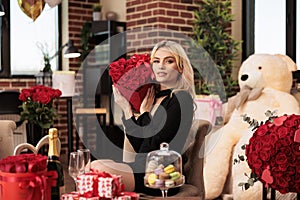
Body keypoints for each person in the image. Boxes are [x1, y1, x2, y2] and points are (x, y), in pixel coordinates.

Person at [91, 40, 196, 196]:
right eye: (156, 61)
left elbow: (153, 147)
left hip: (159, 176)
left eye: (169, 61)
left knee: (99, 169)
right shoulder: (153, 97)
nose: (161, 65)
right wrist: (127, 110)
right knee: (92, 165)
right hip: (141, 167)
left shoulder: (181, 99)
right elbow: (140, 146)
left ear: (180, 67)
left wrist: (145, 114)